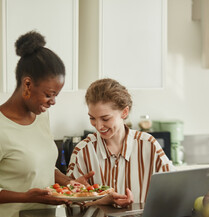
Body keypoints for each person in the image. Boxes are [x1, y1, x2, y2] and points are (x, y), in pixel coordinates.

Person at [0, 31, 87, 217]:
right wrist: (26, 197)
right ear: (28, 84)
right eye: (49, 94)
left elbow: (42, 165)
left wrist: (68, 183)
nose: (53, 102)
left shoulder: (41, 118)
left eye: (56, 95)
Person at [66, 78, 175, 207]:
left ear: (124, 112)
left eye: (105, 118)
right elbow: (70, 206)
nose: (99, 126)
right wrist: (100, 202)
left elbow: (174, 190)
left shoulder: (148, 145)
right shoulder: (83, 151)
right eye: (92, 118)